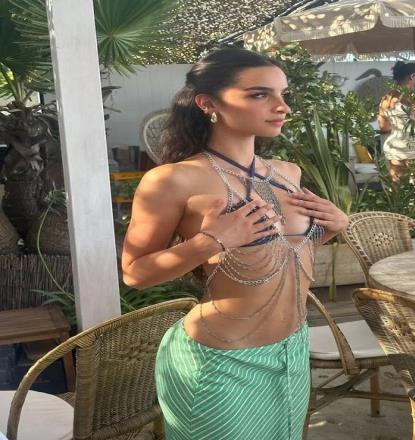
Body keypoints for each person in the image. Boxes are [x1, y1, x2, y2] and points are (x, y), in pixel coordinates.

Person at [121, 48, 348, 440]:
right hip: (218, 363)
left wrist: (330, 229)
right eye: (260, 94)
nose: (282, 107)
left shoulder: (288, 173)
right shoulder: (172, 180)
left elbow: (280, 254)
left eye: (282, 94)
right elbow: (134, 274)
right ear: (208, 103)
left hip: (292, 353)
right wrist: (210, 241)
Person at [378, 61, 415, 182]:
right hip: (414, 149)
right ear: (412, 76)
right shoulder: (414, 99)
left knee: (399, 189)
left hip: (394, 149)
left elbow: (383, 127)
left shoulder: (386, 99)